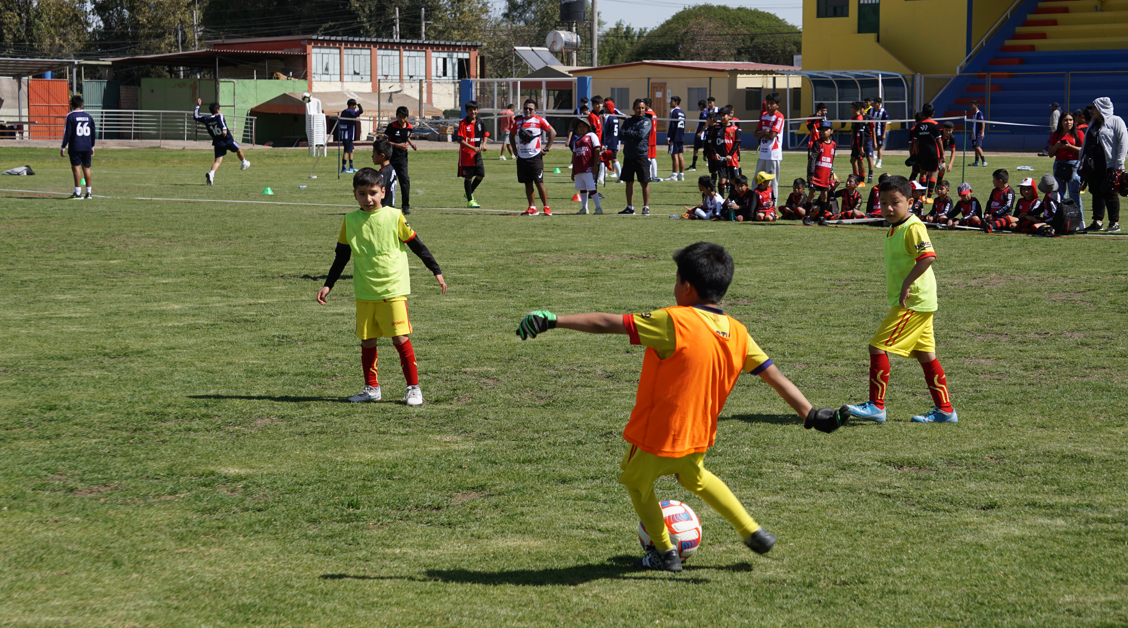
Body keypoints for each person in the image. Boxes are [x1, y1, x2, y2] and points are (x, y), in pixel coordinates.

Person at [515, 242, 848, 572]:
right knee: (696, 477)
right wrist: (810, 413)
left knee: (636, 483)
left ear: (686, 287)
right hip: (698, 433)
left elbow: (608, 323)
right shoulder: (738, 332)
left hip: (658, 433)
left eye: (676, 280)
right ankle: (751, 530)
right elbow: (775, 376)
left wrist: (554, 320)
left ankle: (664, 551)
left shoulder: (673, 321)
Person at [316, 168, 447, 407]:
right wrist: (328, 285)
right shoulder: (350, 221)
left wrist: (435, 270)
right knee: (367, 340)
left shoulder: (394, 216)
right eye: (362, 194)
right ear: (354, 195)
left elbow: (417, 245)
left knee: (399, 337)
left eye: (373, 193)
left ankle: (413, 388)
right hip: (365, 292)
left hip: (392, 289)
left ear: (383, 192)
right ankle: (372, 388)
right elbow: (341, 257)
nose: (368, 199)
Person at [846, 175, 958, 425]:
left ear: (910, 202)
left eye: (894, 202)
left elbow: (928, 256)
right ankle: (945, 410)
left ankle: (876, 405)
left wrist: (906, 284)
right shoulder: (895, 227)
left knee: (877, 346)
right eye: (883, 202)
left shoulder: (913, 227)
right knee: (926, 355)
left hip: (914, 302)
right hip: (920, 302)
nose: (888, 208)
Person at [1080, 97, 1126, 232]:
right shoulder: (1093, 123)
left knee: (1110, 192)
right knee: (1096, 192)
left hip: (1109, 164)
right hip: (1092, 165)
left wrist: (1119, 163)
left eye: (1093, 108)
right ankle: (1097, 221)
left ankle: (1114, 223)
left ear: (1102, 108)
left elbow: (1123, 142)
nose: (1091, 111)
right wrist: (1081, 159)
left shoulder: (1116, 121)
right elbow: (1086, 143)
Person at [510, 99, 556, 216]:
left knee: (539, 182)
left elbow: (552, 132)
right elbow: (511, 135)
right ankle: (532, 207)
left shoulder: (539, 120)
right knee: (527, 183)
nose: (528, 111)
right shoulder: (519, 121)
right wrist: (515, 150)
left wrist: (547, 148)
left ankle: (546, 207)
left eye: (530, 109)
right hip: (522, 158)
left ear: (535, 110)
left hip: (535, 157)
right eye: (525, 108)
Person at [193, 98, 250, 186]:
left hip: (218, 142)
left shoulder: (206, 119)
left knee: (218, 161)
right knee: (239, 149)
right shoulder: (219, 116)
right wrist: (224, 129)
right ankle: (244, 162)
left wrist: (198, 105)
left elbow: (196, 116)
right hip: (227, 140)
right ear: (218, 110)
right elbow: (222, 123)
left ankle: (211, 174)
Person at [1048, 111, 1084, 222]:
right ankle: (1064, 219)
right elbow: (1050, 153)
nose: (1068, 122)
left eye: (1070, 120)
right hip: (1059, 164)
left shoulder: (1079, 134)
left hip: (1074, 165)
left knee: (1074, 194)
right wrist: (1057, 146)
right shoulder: (1056, 134)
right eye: (1065, 120)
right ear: (1061, 122)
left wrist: (1069, 146)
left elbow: (1082, 150)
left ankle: (1079, 220)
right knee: (1060, 194)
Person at [618, 98, 652, 215]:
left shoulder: (647, 121)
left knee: (644, 182)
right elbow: (621, 135)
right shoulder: (628, 121)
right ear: (633, 108)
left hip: (641, 155)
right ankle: (630, 207)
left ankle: (646, 207)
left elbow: (641, 134)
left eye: (642, 108)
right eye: (638, 108)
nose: (640, 110)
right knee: (628, 182)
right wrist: (631, 134)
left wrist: (629, 133)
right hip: (628, 155)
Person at [383, 106, 417, 215]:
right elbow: (384, 141)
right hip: (390, 159)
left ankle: (405, 206)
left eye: (404, 117)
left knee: (405, 182)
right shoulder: (391, 126)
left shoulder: (409, 127)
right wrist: (397, 145)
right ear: (397, 116)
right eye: (400, 117)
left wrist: (411, 144)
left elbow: (406, 136)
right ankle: (385, 205)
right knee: (388, 182)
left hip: (402, 159)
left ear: (407, 117)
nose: (402, 119)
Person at [60, 94, 95, 200]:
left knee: (76, 168)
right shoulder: (88, 117)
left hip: (75, 145)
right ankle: (88, 193)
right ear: (82, 105)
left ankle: (78, 193)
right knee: (86, 168)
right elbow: (93, 132)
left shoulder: (70, 116)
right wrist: (92, 146)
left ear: (71, 104)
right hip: (86, 146)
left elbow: (67, 133)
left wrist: (63, 147)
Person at [457, 100, 489, 209]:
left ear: (477, 110)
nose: (473, 112)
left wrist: (484, 144)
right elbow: (460, 140)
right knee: (468, 177)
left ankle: (469, 192)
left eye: (475, 110)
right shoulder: (463, 123)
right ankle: (470, 201)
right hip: (466, 156)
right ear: (467, 111)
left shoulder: (480, 122)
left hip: (477, 155)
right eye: (470, 110)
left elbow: (485, 134)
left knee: (481, 175)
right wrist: (473, 148)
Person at [754, 92, 785, 204]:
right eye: (768, 103)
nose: (769, 106)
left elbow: (772, 136)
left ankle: (773, 205)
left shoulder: (779, 117)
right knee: (756, 180)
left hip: (773, 154)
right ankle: (756, 203)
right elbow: (756, 134)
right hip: (763, 153)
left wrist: (765, 132)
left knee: (772, 182)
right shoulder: (764, 115)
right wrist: (765, 131)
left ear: (778, 105)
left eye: (772, 104)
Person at [806, 120, 837, 224]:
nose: (824, 132)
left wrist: (831, 174)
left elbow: (831, 160)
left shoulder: (833, 144)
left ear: (831, 131)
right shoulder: (817, 143)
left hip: (826, 174)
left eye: (826, 129)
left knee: (824, 194)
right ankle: (806, 216)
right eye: (822, 130)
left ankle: (821, 218)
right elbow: (813, 159)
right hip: (816, 174)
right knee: (812, 193)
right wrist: (810, 173)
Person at [570, 117, 603, 215]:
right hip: (579, 168)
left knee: (591, 187)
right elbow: (574, 155)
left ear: (588, 127)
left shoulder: (591, 135)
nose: (581, 128)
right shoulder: (577, 140)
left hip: (588, 167)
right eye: (579, 126)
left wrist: (595, 165)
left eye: (584, 126)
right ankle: (584, 208)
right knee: (582, 188)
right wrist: (573, 171)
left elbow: (597, 149)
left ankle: (598, 208)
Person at [911, 103, 942, 202]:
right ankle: (929, 197)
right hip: (933, 153)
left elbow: (915, 141)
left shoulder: (918, 125)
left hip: (922, 153)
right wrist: (943, 154)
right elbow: (939, 140)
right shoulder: (935, 124)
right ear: (933, 113)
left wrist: (916, 154)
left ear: (923, 113)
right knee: (933, 173)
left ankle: (922, 196)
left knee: (923, 174)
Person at [709, 106, 741, 197]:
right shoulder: (716, 128)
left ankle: (731, 198)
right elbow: (712, 143)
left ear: (729, 116)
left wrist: (730, 155)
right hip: (721, 159)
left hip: (731, 159)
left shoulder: (734, 129)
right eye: (720, 115)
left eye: (724, 115)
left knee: (733, 180)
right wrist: (715, 153)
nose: (722, 117)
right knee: (722, 179)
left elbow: (736, 143)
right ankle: (722, 199)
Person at [981, 168, 1016, 233]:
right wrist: (987, 213)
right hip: (991, 216)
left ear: (1000, 181)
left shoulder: (1009, 192)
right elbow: (989, 202)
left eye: (994, 179)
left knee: (1002, 220)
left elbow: (1007, 206)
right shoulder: (994, 191)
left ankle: (990, 226)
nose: (993, 181)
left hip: (1001, 216)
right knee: (979, 218)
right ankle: (986, 224)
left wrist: (994, 214)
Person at [371, 139, 398, 209]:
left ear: (382, 156)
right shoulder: (391, 169)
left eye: (374, 153)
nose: (372, 156)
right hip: (390, 207)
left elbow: (377, 191)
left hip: (384, 209)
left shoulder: (383, 173)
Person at [338, 98, 363, 173]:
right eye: (355, 106)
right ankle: (344, 168)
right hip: (347, 134)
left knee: (352, 150)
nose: (355, 107)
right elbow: (361, 111)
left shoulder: (344, 111)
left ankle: (351, 167)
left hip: (348, 133)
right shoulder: (350, 111)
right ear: (351, 105)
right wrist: (358, 104)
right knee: (346, 151)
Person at [666, 95, 686, 181]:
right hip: (681, 136)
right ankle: (681, 175)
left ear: (676, 102)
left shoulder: (673, 111)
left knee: (674, 156)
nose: (670, 103)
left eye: (671, 101)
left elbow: (671, 125)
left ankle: (674, 175)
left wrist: (668, 136)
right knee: (680, 156)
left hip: (674, 136)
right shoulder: (682, 112)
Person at [849, 101, 868, 184]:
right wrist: (851, 142)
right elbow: (854, 131)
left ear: (855, 109)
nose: (850, 109)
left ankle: (862, 181)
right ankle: (856, 178)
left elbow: (862, 134)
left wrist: (861, 147)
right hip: (855, 144)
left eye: (851, 107)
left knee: (860, 161)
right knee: (853, 160)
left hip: (859, 144)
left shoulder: (860, 119)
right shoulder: (854, 118)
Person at [603, 99, 622, 181]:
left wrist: (603, 142)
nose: (604, 109)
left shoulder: (608, 117)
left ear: (608, 108)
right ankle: (620, 177)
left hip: (608, 141)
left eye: (605, 107)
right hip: (614, 141)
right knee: (614, 159)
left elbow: (605, 131)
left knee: (603, 159)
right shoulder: (616, 118)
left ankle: (601, 178)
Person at [588, 96, 606, 183]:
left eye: (601, 103)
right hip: (594, 147)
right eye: (597, 104)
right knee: (594, 167)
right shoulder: (592, 116)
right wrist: (597, 146)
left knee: (597, 166)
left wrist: (602, 144)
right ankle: (592, 190)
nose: (599, 105)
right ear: (593, 105)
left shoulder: (598, 116)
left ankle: (594, 190)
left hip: (598, 145)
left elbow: (600, 132)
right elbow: (593, 132)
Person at [688, 99, 709, 172]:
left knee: (696, 149)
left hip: (701, 134)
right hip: (703, 133)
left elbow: (706, 123)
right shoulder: (708, 112)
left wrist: (701, 132)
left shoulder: (703, 113)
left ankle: (694, 165)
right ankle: (694, 165)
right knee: (706, 148)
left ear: (701, 106)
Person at [645, 98, 660, 182]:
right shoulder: (654, 114)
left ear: (647, 105)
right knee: (652, 157)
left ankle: (649, 176)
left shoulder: (647, 114)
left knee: (648, 158)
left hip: (648, 139)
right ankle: (654, 175)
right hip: (653, 138)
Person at [937, 122, 957, 186]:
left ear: (953, 129)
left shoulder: (951, 138)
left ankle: (938, 185)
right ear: (942, 128)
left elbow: (953, 151)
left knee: (943, 168)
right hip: (932, 154)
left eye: (950, 130)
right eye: (946, 130)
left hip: (940, 155)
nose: (948, 132)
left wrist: (951, 164)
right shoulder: (937, 133)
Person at [968, 101, 987, 167]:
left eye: (972, 105)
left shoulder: (979, 113)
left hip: (978, 133)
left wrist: (982, 132)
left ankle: (984, 161)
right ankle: (976, 162)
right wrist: (970, 134)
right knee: (975, 147)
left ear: (976, 105)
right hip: (974, 134)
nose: (971, 106)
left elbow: (983, 122)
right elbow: (973, 125)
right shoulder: (974, 114)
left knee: (977, 146)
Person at [872, 97, 890, 168]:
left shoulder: (883, 111)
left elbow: (885, 123)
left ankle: (879, 162)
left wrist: (884, 134)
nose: (874, 104)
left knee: (879, 147)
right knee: (869, 146)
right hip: (871, 132)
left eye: (875, 103)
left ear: (879, 104)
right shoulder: (871, 110)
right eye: (873, 103)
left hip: (879, 132)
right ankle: (873, 156)